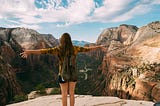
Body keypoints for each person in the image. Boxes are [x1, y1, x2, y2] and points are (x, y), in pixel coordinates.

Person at [20, 33, 105, 106]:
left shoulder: (58, 49)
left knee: (64, 94)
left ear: (62, 40)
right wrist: (99, 47)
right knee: (72, 93)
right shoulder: (75, 48)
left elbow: (43, 51)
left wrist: (29, 51)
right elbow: (88, 49)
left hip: (62, 74)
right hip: (73, 73)